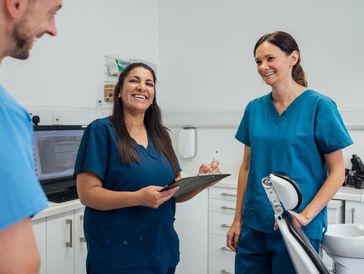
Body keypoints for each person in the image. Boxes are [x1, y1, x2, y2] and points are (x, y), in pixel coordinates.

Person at [75, 62, 219, 274]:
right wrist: (137, 198)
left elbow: (174, 193)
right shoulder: (101, 131)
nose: (142, 87)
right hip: (118, 252)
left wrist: (203, 181)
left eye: (149, 83)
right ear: (119, 92)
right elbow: (87, 194)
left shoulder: (161, 136)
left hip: (160, 246)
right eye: (134, 81)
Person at [226, 31, 352, 274]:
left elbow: (337, 172)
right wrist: (238, 219)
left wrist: (305, 216)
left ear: (293, 57)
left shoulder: (319, 106)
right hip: (255, 224)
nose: (263, 67)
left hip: (298, 226)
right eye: (258, 61)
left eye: (270, 59)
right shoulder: (254, 109)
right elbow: (246, 167)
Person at [0, 0, 62, 273]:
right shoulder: (6, 115)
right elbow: (17, 265)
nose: (53, 29)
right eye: (51, 13)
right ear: (15, 4)